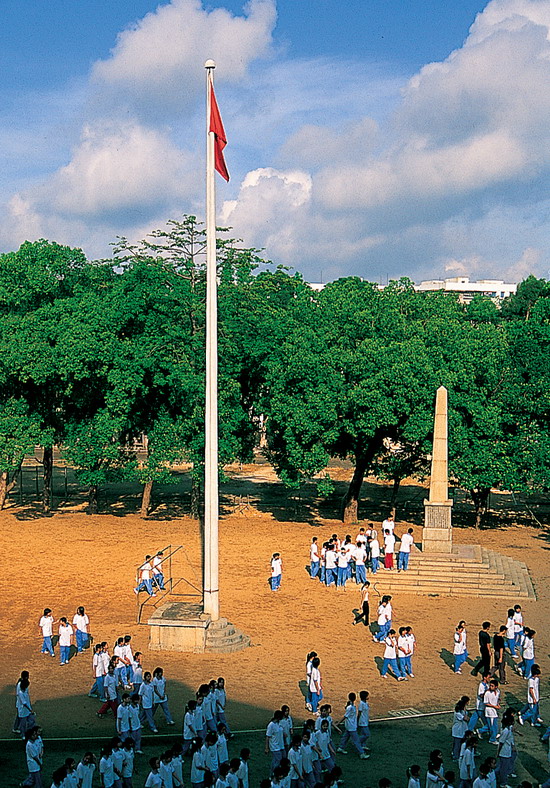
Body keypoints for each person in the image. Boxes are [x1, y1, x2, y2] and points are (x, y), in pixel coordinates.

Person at [337, 692, 369, 758]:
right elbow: (345, 716)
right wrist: (338, 723)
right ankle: (361, 753)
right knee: (356, 740)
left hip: (350, 725)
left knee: (345, 737)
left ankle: (341, 747)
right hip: (351, 726)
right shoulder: (351, 707)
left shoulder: (351, 707)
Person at [496, 711, 516, 788]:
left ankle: (496, 777)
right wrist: (498, 753)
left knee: (502, 767)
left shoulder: (508, 729)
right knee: (503, 769)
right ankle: (503, 783)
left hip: (506, 751)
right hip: (504, 752)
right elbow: (501, 743)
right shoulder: (506, 731)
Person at [468, 672, 490, 737]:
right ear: (485, 677)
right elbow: (481, 695)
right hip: (481, 706)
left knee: (474, 717)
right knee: (488, 723)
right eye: (488, 677)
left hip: (482, 706)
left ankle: (469, 730)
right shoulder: (481, 685)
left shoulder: (487, 685)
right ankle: (480, 731)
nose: (489, 679)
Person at [265, 710, 285, 774]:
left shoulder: (279, 723)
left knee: (277, 760)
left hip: (281, 745)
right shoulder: (271, 725)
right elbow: (268, 737)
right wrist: (267, 748)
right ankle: (274, 773)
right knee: (278, 761)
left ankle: (273, 773)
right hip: (275, 746)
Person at [484, 679, 501, 743]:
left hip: (494, 711)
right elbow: (486, 703)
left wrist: (498, 703)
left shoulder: (498, 691)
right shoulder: (487, 693)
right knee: (492, 726)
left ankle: (494, 735)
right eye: (490, 686)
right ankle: (492, 739)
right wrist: (494, 706)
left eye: (492, 686)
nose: (490, 687)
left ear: (496, 687)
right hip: (489, 712)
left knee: (495, 725)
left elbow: (497, 699)